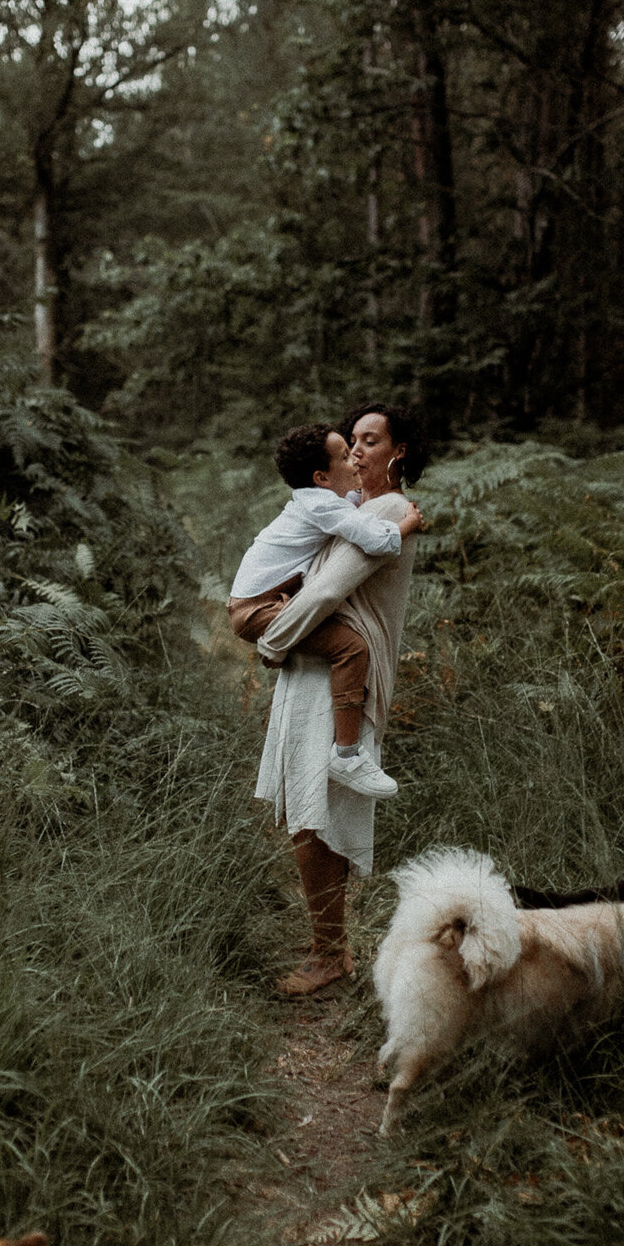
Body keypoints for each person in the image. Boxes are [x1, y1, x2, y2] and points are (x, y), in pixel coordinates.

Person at [254, 402, 430, 996]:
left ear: (398, 452)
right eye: (351, 440)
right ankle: (330, 948)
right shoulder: (351, 509)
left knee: (316, 816)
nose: (356, 450)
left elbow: (324, 593)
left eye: (371, 441)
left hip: (334, 683)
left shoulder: (388, 512)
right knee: (313, 814)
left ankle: (330, 955)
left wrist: (269, 640)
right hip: (317, 672)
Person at [227, 421, 423, 797]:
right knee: (351, 647)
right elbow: (371, 537)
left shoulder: (322, 501)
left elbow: (351, 509)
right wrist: (407, 524)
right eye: (346, 453)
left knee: (342, 644)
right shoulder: (322, 505)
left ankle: (344, 751)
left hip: (258, 601)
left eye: (363, 446)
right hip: (256, 609)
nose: (355, 460)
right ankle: (347, 754)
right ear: (320, 477)